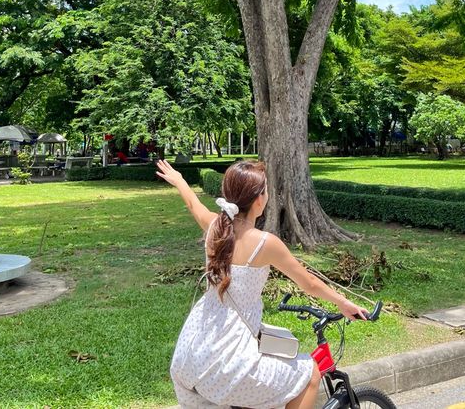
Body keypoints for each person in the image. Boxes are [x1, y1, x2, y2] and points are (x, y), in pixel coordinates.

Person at [156, 158, 369, 409]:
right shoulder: (265, 243)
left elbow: (193, 203)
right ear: (259, 200)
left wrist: (180, 180)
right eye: (266, 189)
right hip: (226, 363)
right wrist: (344, 303)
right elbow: (309, 283)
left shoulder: (215, 228)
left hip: (190, 357)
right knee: (310, 372)